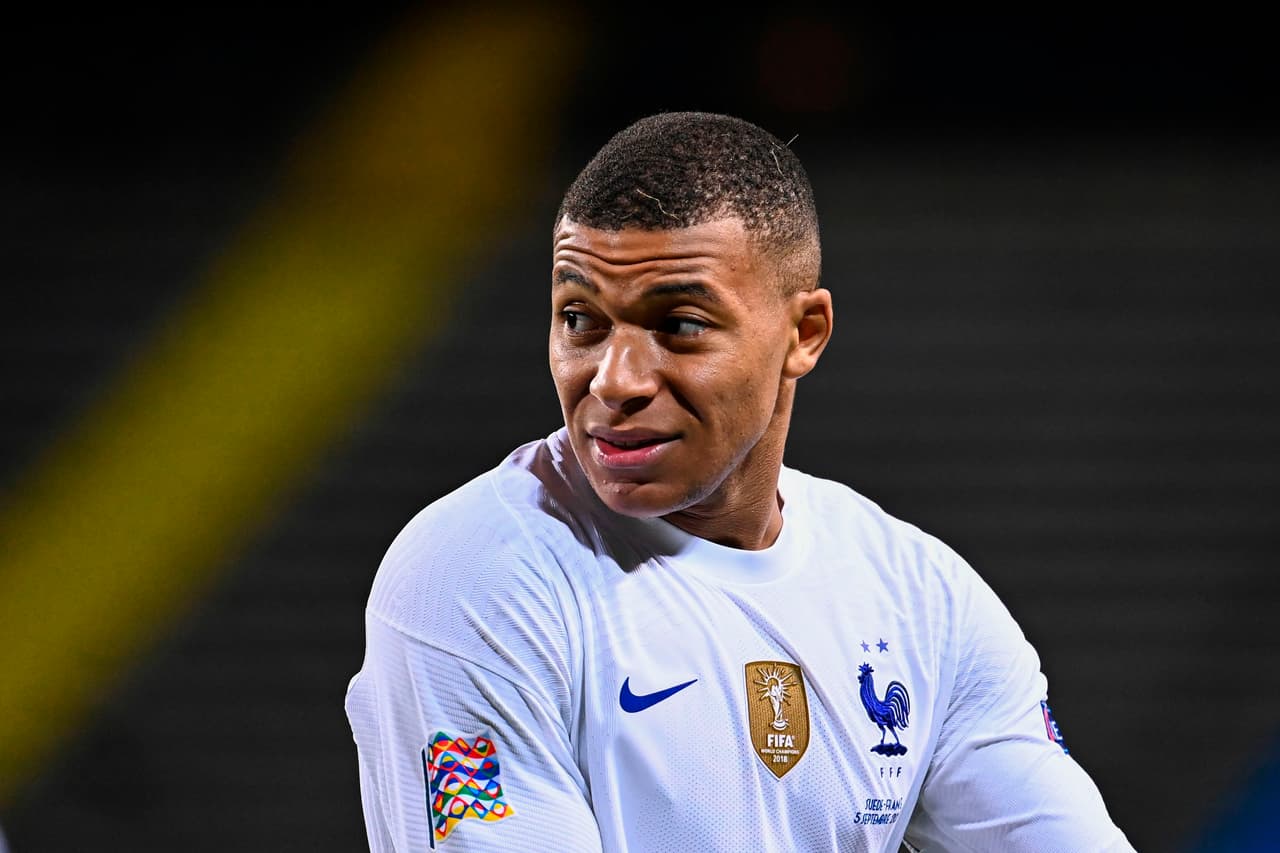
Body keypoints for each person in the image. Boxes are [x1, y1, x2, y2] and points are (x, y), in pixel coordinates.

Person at [345, 111, 1134, 852]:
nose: (614, 380)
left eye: (680, 325)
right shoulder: (474, 575)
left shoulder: (920, 598)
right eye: (580, 318)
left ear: (804, 334)